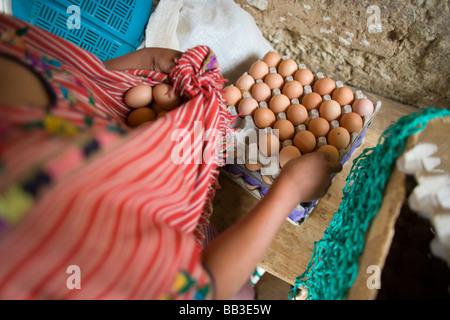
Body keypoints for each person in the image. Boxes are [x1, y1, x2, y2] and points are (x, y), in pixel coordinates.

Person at [0, 13, 341, 300]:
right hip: (182, 269)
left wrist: (146, 63)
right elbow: (198, 292)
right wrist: (290, 189)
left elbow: (81, 83)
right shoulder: (31, 215)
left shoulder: (6, 38)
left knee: (229, 262)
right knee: (238, 296)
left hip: (178, 209)